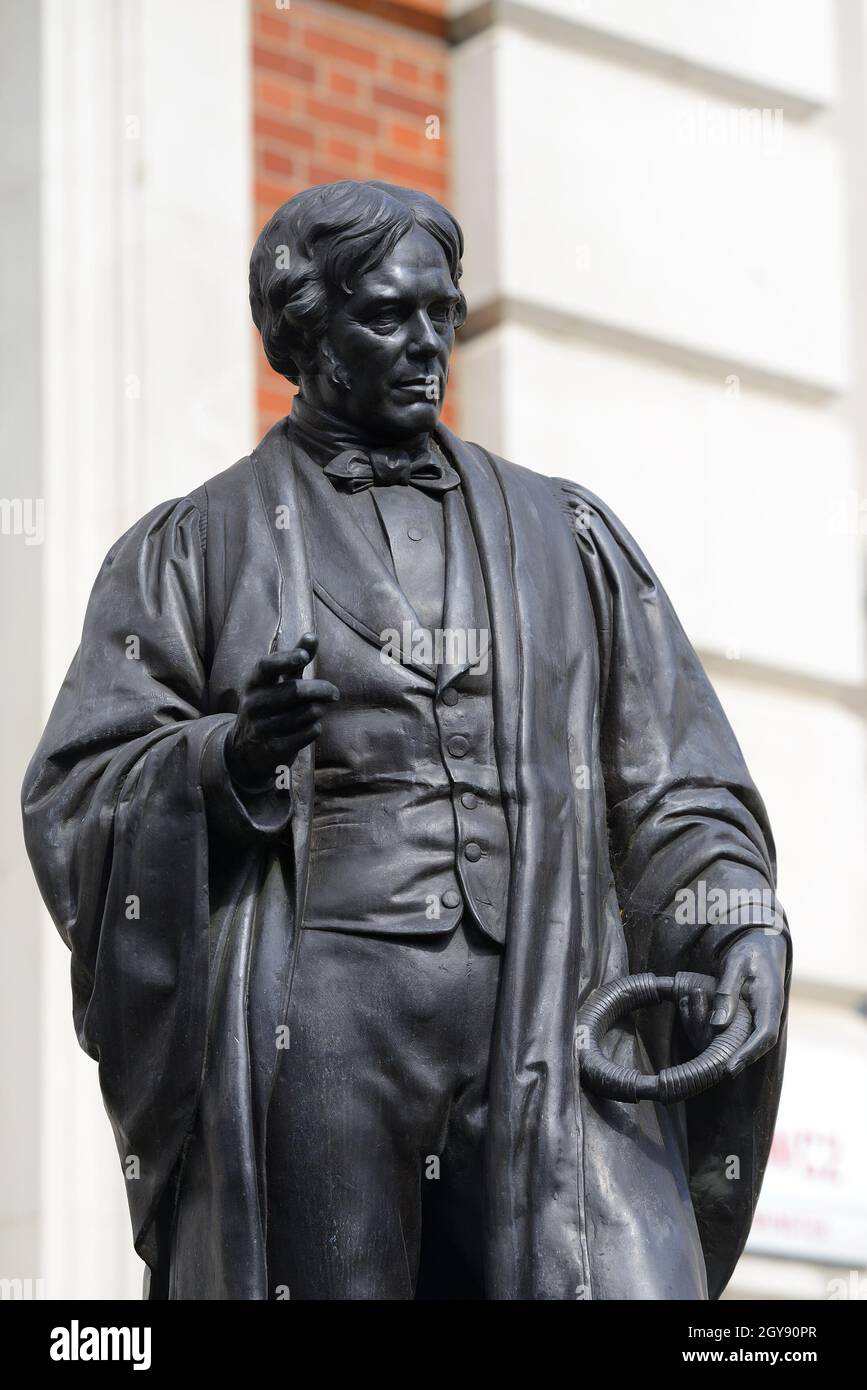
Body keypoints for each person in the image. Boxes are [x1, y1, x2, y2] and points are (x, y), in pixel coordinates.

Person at [22, 180, 789, 1300]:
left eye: (445, 313)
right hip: (324, 1027)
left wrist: (735, 919)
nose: (429, 344)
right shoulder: (197, 547)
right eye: (388, 317)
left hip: (551, 1005)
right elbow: (81, 788)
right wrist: (229, 761)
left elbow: (672, 782)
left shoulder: (562, 538)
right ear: (304, 331)